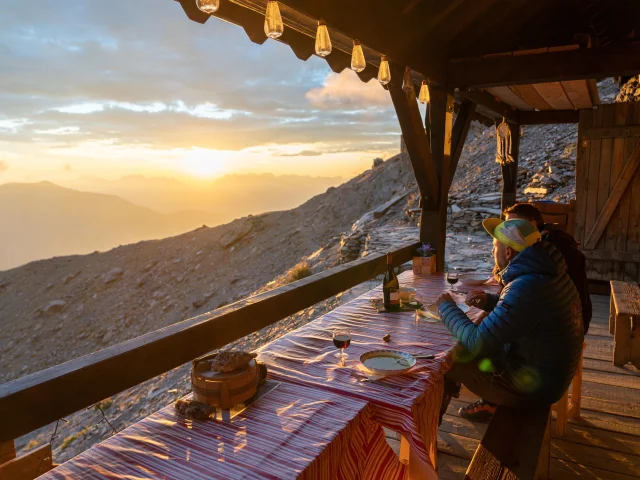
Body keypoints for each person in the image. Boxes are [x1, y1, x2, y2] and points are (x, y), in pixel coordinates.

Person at [436, 218, 584, 423]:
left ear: (508, 252)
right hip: (550, 375)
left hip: (533, 390)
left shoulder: (527, 286)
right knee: (485, 340)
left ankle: (432, 429)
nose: (491, 252)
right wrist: (491, 302)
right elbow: (526, 312)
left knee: (448, 361)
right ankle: (488, 401)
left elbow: (476, 341)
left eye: (494, 246)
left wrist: (445, 308)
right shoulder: (547, 273)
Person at [503, 203, 592, 335]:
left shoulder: (548, 249)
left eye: (512, 226)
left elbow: (520, 285)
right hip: (569, 320)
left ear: (531, 224)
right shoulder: (551, 240)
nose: (508, 232)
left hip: (565, 327)